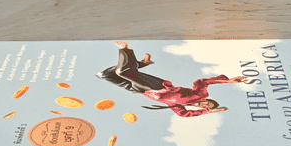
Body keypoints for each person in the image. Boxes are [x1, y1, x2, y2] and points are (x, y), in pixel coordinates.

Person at [97, 42, 247, 117]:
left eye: (206, 105)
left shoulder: (177, 106)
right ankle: (126, 49)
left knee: (105, 75)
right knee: (123, 71)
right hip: (157, 86)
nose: (204, 103)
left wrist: (207, 111)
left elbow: (184, 114)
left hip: (141, 90)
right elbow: (202, 82)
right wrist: (228, 81)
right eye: (207, 102)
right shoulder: (200, 94)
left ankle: (141, 64)